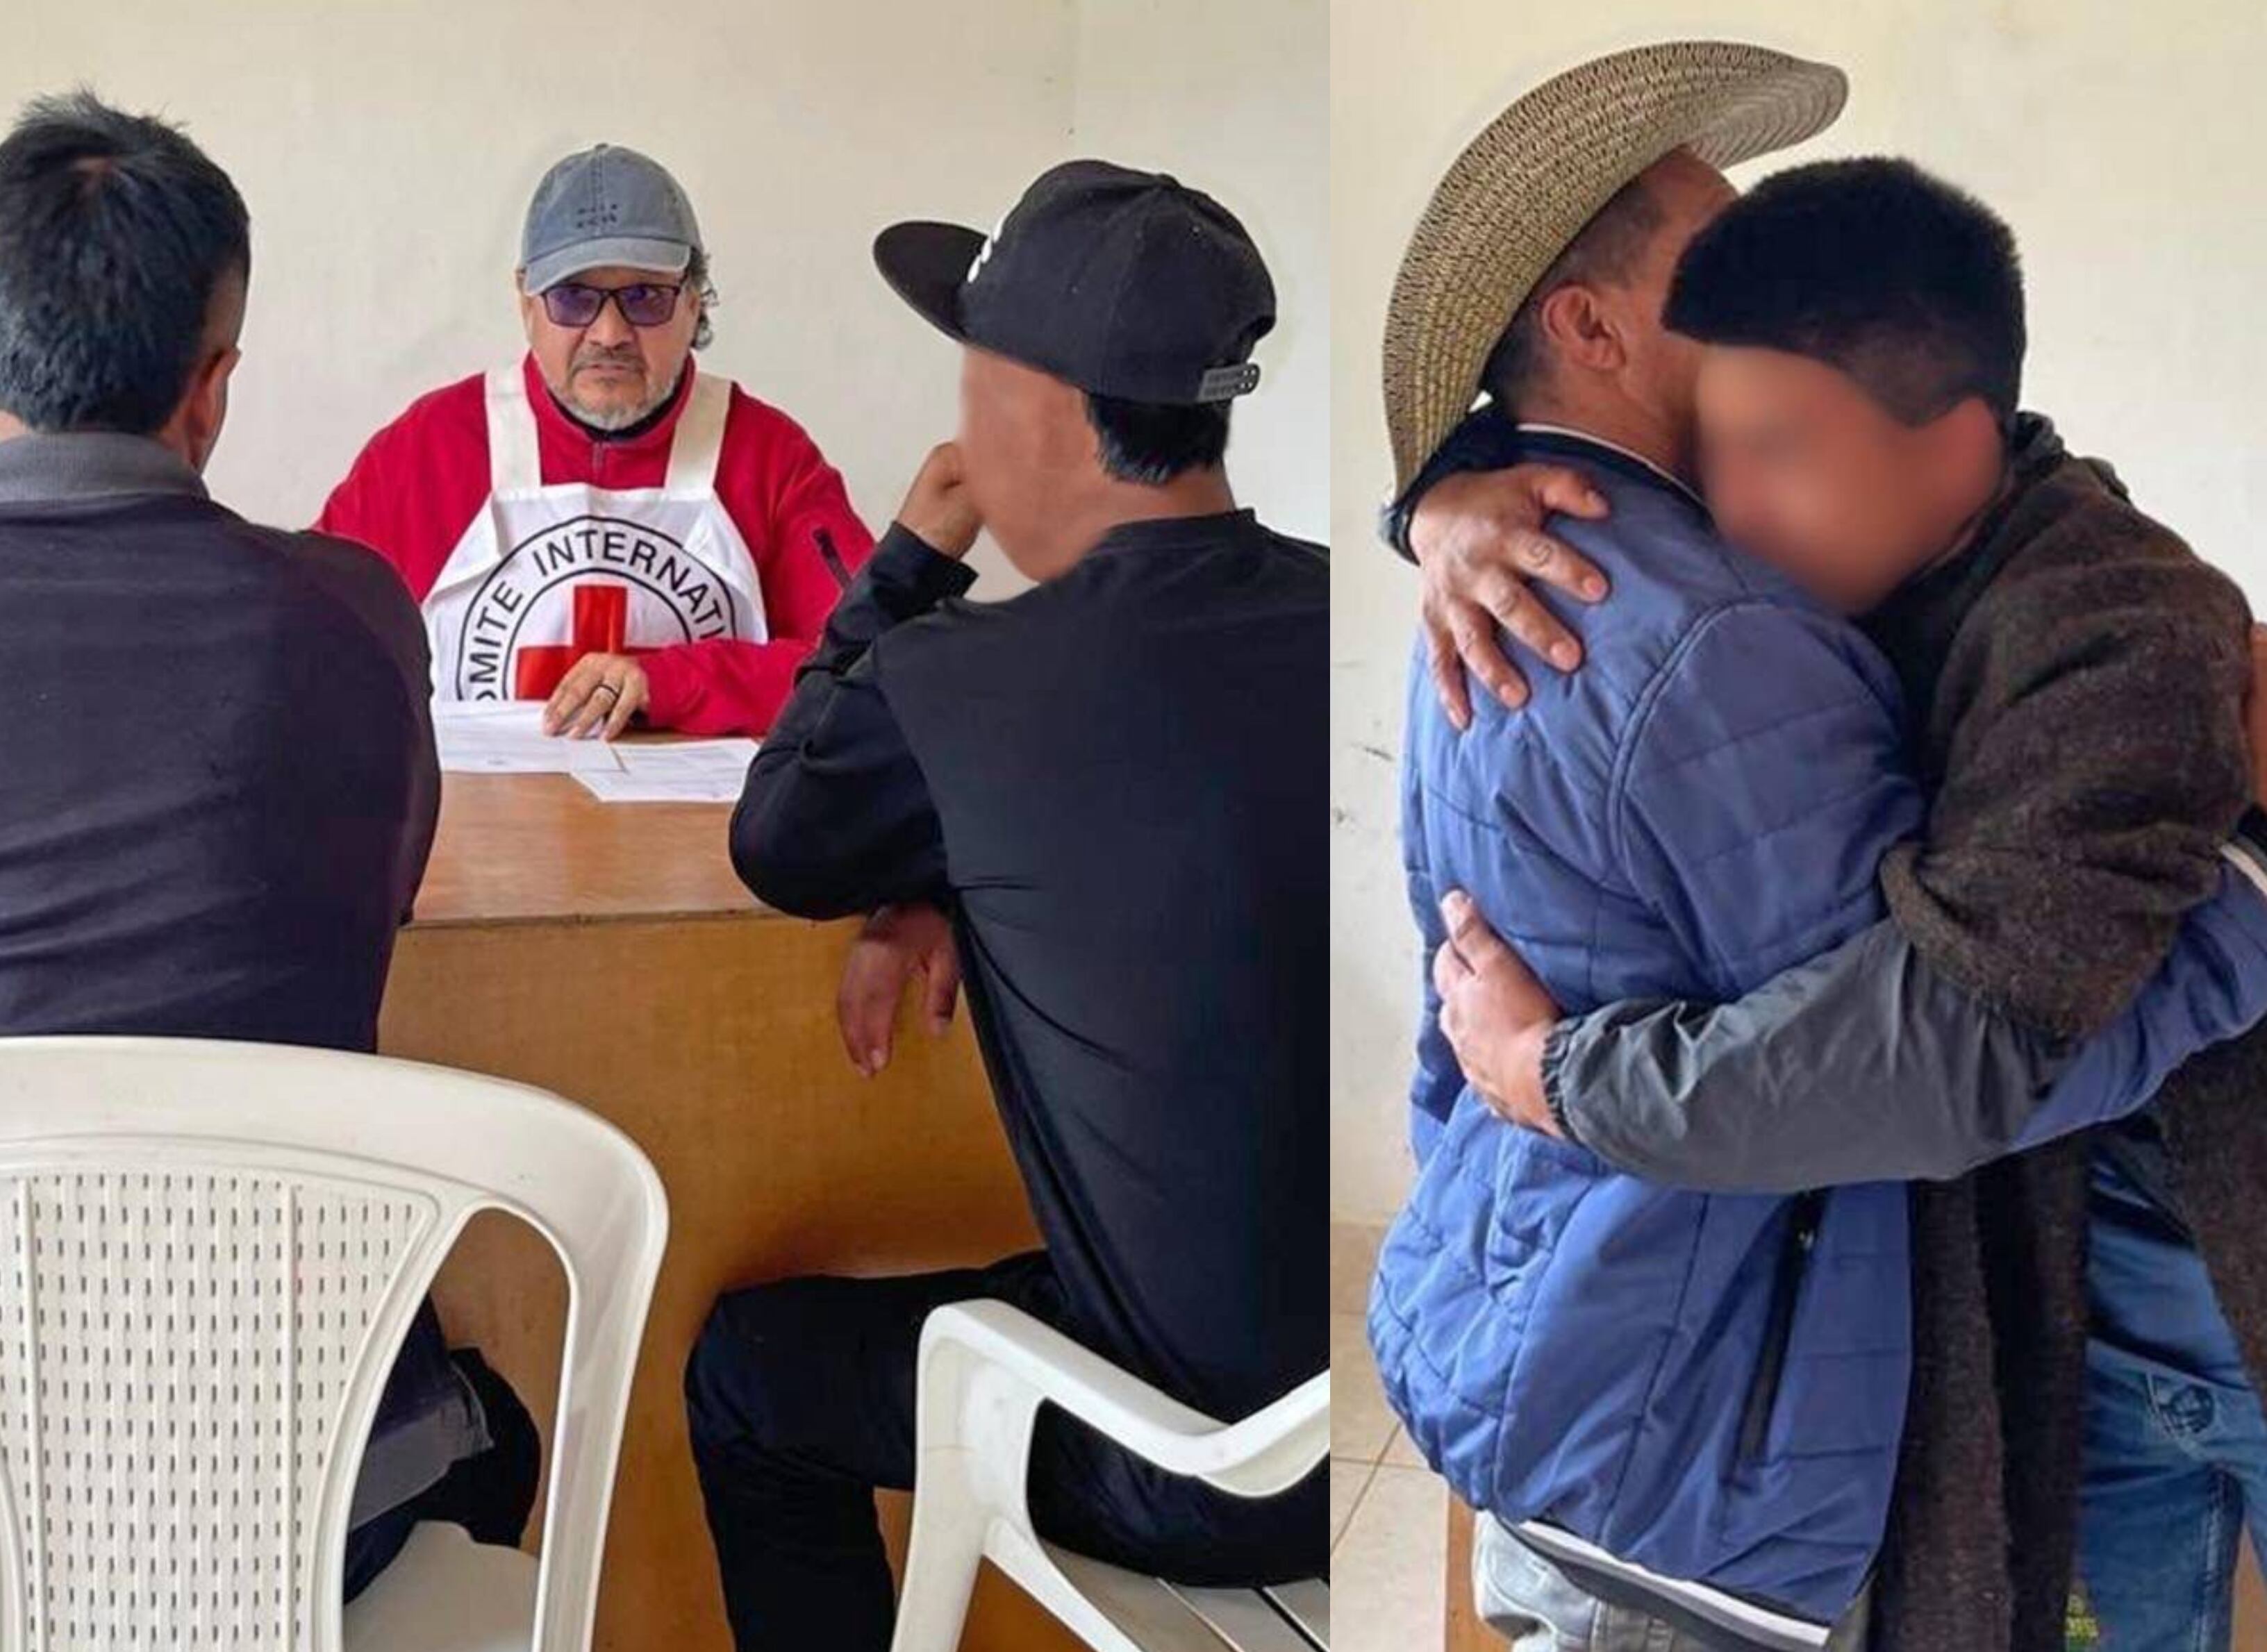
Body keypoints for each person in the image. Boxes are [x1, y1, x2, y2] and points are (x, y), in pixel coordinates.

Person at [1361, 44, 2267, 1652]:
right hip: (1733, 1387)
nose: (1726, 486)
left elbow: (1947, 1043)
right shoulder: (1675, 601)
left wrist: (1564, 1075)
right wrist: (1435, 489)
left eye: (1776, 433)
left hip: (2142, 1300)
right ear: (1596, 328)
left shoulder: (2077, 621)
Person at [682, 159, 1327, 1651]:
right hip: (1360, 1395)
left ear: (1032, 408)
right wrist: (948, 878)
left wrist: (909, 559)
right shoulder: (1337, 609)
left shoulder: (965, 674)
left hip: (1187, 1463)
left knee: (748, 1375)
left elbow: (779, 840)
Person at [0, 92, 536, 1599]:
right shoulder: (355, 616)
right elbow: (386, 893)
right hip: (294, 1504)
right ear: (214, 384)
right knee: (494, 1434)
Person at [317, 143, 872, 739]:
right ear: (527, 302)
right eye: (574, 297)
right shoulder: (427, 452)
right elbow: (309, 648)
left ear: (693, 302)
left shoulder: (770, 458)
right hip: (477, 825)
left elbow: (867, 667)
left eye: (645, 298)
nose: (609, 333)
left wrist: (676, 680)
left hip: (707, 829)